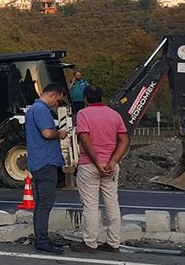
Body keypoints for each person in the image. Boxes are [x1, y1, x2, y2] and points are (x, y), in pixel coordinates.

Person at [70, 85, 129, 253]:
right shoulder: (114, 114)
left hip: (89, 165)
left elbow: (85, 139)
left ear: (86, 98)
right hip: (111, 166)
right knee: (112, 203)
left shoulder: (83, 114)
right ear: (102, 97)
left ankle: (90, 242)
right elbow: (124, 140)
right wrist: (113, 161)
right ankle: (113, 242)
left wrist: (97, 163)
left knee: (90, 205)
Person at [25, 82, 68, 254]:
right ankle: (42, 240)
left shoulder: (33, 110)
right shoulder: (41, 110)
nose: (57, 104)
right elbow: (47, 133)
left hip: (38, 161)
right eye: (58, 100)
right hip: (45, 162)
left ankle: (42, 238)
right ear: (53, 95)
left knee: (41, 203)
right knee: (45, 203)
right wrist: (60, 133)